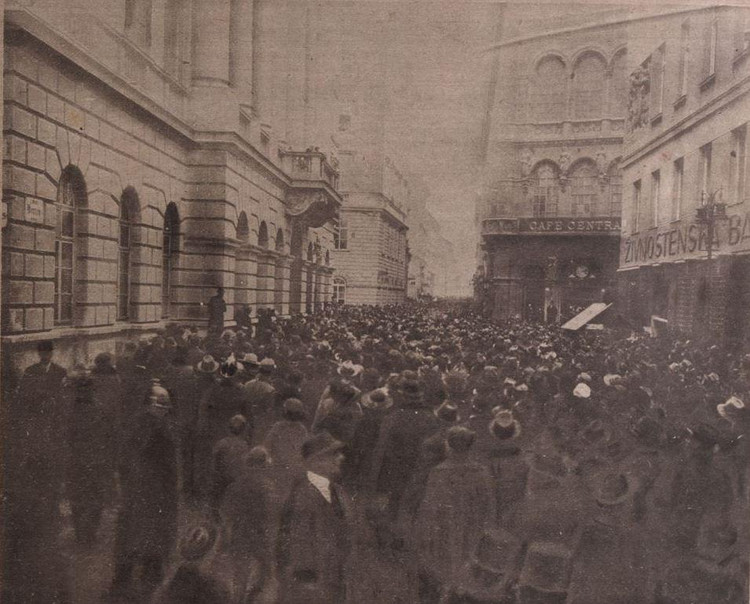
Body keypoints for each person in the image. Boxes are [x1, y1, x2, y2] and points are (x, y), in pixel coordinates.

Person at [3, 339, 70, 604]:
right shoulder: (30, 373)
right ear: (38, 353)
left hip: (51, 430)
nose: (44, 355)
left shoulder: (60, 373)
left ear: (52, 353)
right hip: (35, 429)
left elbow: (63, 403)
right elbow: (22, 401)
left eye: (48, 352)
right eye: (42, 352)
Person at [109, 380, 178, 601]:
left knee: (130, 533)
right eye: (162, 408)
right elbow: (169, 468)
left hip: (134, 489)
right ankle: (149, 578)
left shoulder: (135, 423)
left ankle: (123, 578)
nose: (163, 412)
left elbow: (122, 459)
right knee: (153, 533)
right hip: (155, 492)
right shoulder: (162, 430)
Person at [413, 426, 496, 603]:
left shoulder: (438, 472)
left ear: (449, 445)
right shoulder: (480, 472)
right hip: (473, 527)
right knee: (468, 566)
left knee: (448, 567)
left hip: (446, 528)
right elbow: (489, 505)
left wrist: (425, 533)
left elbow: (429, 508)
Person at [277, 432, 351, 604]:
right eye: (334, 454)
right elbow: (298, 542)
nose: (341, 458)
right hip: (311, 586)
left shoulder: (337, 491)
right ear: (316, 460)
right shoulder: (303, 494)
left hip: (332, 579)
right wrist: (306, 579)